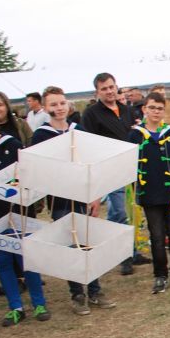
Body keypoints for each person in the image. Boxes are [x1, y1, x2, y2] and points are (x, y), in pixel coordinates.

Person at [33, 86, 117, 315]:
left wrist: (95, 195)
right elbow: (39, 169)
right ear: (45, 107)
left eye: (62, 103)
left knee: (88, 244)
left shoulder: (78, 130)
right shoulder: (41, 135)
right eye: (53, 104)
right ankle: (77, 294)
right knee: (72, 247)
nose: (59, 108)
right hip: (61, 201)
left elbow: (91, 163)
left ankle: (95, 290)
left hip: (84, 198)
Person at [0, 108, 48, 325]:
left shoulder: (13, 144)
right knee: (3, 262)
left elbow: (30, 174)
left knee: (27, 259)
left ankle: (39, 303)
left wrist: (17, 180)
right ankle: (15, 307)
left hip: (20, 212)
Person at [129, 93, 170, 293]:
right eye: (152, 108)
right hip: (150, 195)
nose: (156, 112)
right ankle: (160, 275)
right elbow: (128, 164)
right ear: (144, 109)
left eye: (160, 108)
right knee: (156, 236)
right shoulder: (135, 135)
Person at [81, 72, 141, 275]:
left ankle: (134, 250)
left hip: (133, 167)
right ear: (97, 92)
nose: (109, 91)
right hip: (110, 171)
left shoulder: (127, 110)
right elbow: (88, 145)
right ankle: (123, 256)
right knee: (118, 213)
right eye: (104, 88)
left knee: (133, 212)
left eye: (111, 87)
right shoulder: (91, 114)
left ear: (116, 87)